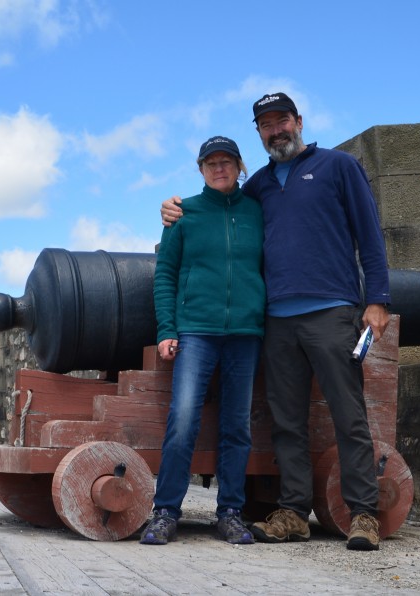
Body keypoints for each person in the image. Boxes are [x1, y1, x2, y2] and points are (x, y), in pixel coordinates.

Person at [160, 93, 390, 551]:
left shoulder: (337, 166)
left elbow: (369, 231)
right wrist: (174, 210)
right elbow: (220, 213)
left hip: (331, 309)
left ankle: (363, 514)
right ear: (259, 134)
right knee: (287, 421)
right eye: (266, 124)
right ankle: (294, 510)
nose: (276, 130)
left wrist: (378, 298)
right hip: (277, 320)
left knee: (348, 415)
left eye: (282, 120)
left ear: (298, 121)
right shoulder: (259, 186)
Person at [140, 135, 266, 546]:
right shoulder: (184, 215)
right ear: (200, 170)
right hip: (196, 330)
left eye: (226, 161)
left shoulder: (257, 212)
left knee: (236, 426)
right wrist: (166, 329)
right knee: (183, 420)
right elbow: (165, 274)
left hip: (245, 333)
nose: (219, 168)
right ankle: (165, 511)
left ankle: (229, 511)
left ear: (239, 166)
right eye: (210, 163)